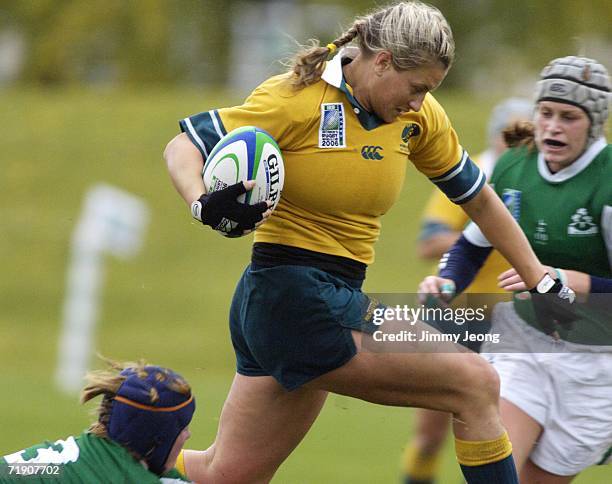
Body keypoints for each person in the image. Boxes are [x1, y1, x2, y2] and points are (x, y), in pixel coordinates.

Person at [164, 2, 572, 482]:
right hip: (294, 298)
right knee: (476, 384)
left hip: (313, 300)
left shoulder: (418, 118)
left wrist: (537, 276)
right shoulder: (296, 100)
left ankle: (104, 460)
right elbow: (184, 146)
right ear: (381, 62)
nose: (419, 102)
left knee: (224, 475)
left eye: (430, 91)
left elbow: (478, 199)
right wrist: (201, 201)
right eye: (416, 87)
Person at [418, 55, 612, 483]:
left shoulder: (608, 180)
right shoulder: (513, 167)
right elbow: (470, 246)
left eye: (569, 117)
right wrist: (446, 280)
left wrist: (570, 281)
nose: (553, 127)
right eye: (545, 113)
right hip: (524, 346)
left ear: (595, 123)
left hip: (598, 368)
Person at [403, 97, 532, 484]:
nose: (514, 149)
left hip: (512, 323)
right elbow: (428, 242)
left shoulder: (539, 184)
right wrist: (490, 234)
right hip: (455, 314)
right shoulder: (471, 177)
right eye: (508, 139)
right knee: (430, 437)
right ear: (495, 139)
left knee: (503, 437)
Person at [0, 360, 195, 483]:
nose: (188, 435)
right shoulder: (128, 477)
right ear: (156, 438)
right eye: (182, 427)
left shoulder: (81, 455)